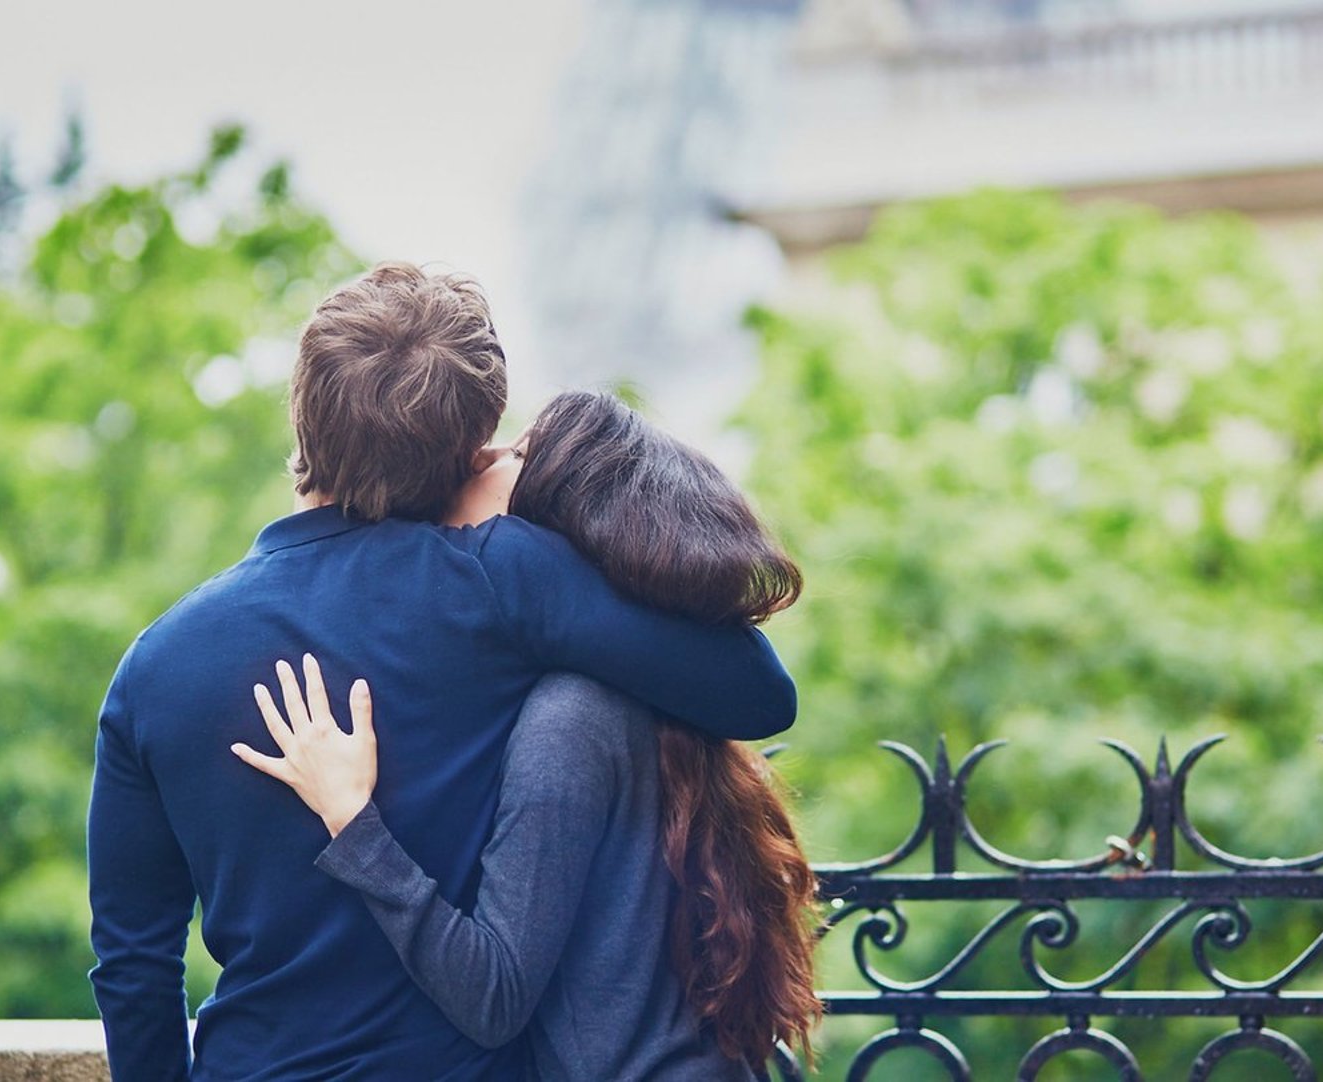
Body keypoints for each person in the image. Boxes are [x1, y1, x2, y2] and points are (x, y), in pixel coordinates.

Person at [86, 266, 799, 1081]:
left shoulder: (156, 666)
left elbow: (134, 964)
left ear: (303, 410)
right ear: (471, 446)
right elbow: (756, 693)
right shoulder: (500, 581)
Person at [236, 391, 822, 1080]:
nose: (482, 456)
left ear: (546, 519)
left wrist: (351, 821)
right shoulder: (641, 689)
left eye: (514, 451)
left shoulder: (573, 716)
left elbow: (494, 997)